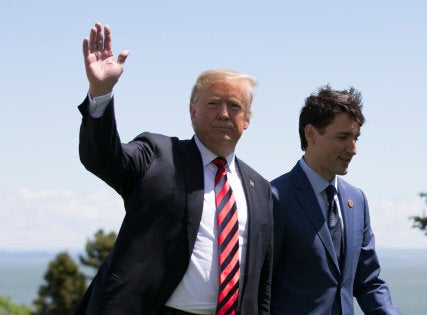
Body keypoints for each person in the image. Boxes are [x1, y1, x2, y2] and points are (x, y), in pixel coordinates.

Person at [75, 22, 273, 315]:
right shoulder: (158, 154)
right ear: (192, 113)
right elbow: (103, 158)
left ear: (247, 120)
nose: (223, 114)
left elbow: (261, 282)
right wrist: (100, 94)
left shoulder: (260, 189)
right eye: (213, 103)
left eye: (234, 106)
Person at [270, 85, 400, 314]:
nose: (353, 149)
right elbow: (261, 286)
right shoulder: (274, 197)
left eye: (356, 137)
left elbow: (368, 281)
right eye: (343, 137)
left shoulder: (357, 200)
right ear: (310, 134)